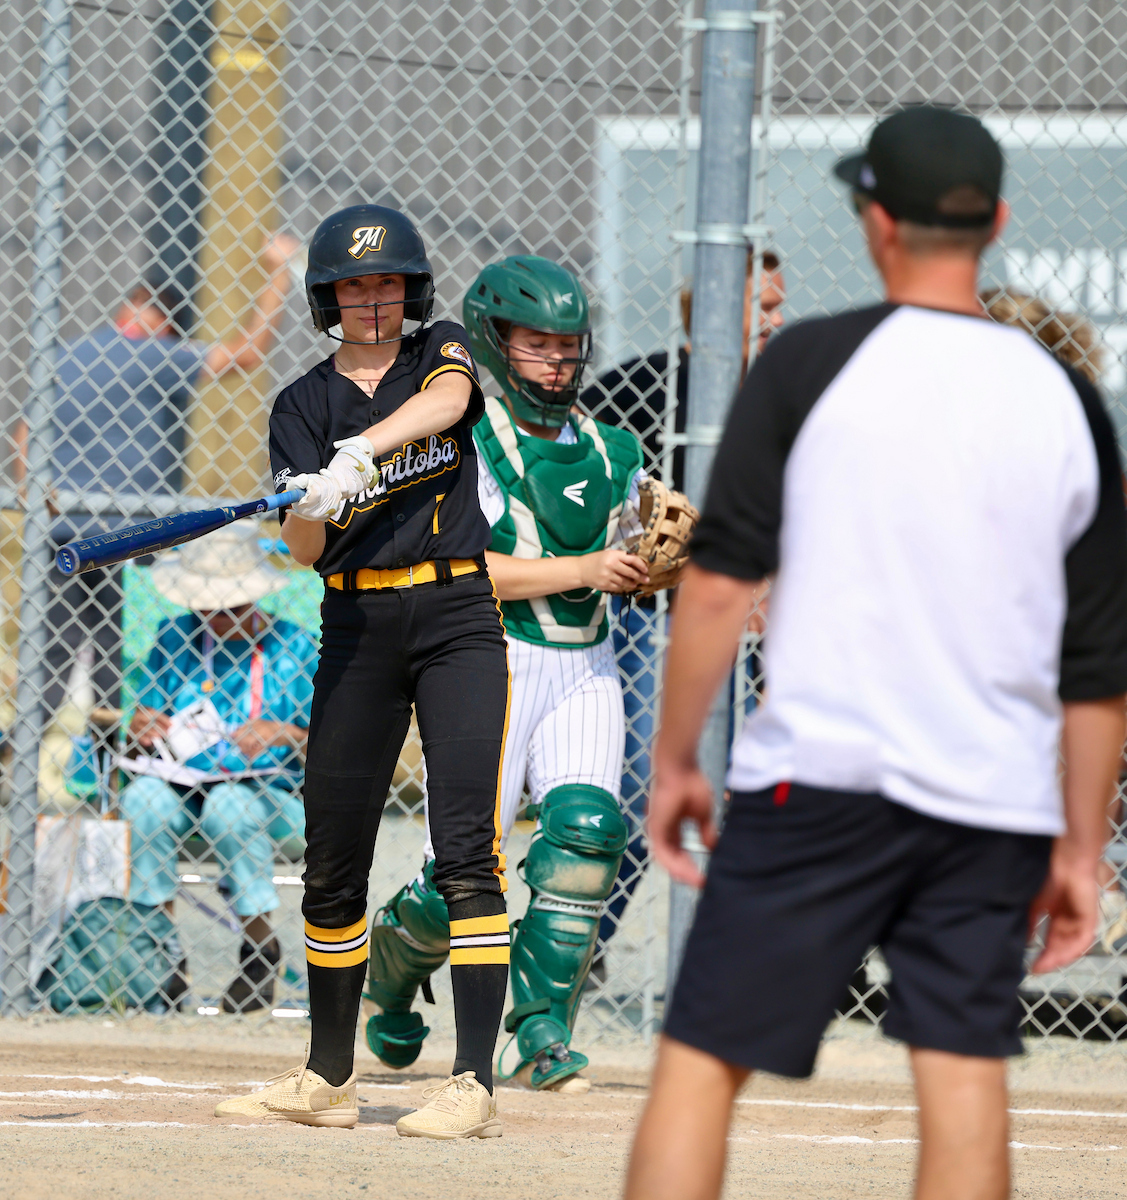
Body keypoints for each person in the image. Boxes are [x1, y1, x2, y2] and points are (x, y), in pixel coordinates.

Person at [625, 105, 1127, 1200]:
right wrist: (1079, 849)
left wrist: (673, 762)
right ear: (990, 221)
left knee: (703, 1064)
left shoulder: (809, 363)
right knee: (960, 1081)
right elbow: (1096, 667)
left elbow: (713, 588)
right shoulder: (1063, 401)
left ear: (873, 221)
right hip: (986, 800)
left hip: (816, 779)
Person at [216, 204, 510, 1138]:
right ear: (328, 298)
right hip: (357, 620)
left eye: (386, 283)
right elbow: (305, 550)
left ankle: (471, 1084)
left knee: (466, 844)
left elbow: (450, 405)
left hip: (458, 612)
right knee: (333, 855)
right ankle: (328, 1077)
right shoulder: (299, 404)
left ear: (410, 290)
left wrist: (357, 458)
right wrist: (306, 502)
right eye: (353, 285)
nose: (372, 299)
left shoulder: (440, 352)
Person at [364, 255, 660, 1094]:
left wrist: (666, 555)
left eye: (568, 348)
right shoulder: (462, 443)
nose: (556, 364)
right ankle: (388, 977)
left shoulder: (611, 448)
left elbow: (631, 548)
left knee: (586, 840)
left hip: (584, 667)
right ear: (494, 343)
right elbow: (462, 567)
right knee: (456, 883)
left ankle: (537, 1030)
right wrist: (587, 569)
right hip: (485, 660)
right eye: (536, 347)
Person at [579, 252, 785, 971]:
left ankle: (757, 960)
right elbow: (579, 465)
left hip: (756, 627)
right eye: (763, 307)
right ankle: (579, 944)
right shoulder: (646, 383)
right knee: (640, 782)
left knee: (764, 792)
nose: (777, 319)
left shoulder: (784, 397)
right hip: (653, 623)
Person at [14, 233, 299, 722]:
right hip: (125, 534)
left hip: (57, 530)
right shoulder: (154, 354)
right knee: (117, 656)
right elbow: (247, 353)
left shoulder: (65, 355)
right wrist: (279, 272)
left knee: (52, 657)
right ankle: (111, 777)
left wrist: (28, 495)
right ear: (163, 324)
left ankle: (20, 764)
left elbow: (23, 432)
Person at [119, 524, 315, 1012]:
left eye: (227, 606)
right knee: (143, 799)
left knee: (229, 806)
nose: (213, 616)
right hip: (185, 786)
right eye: (204, 605)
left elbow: (339, 745)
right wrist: (142, 725)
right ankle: (160, 954)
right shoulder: (175, 636)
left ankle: (259, 950)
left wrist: (288, 734)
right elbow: (142, 720)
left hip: (275, 798)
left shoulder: (298, 647)